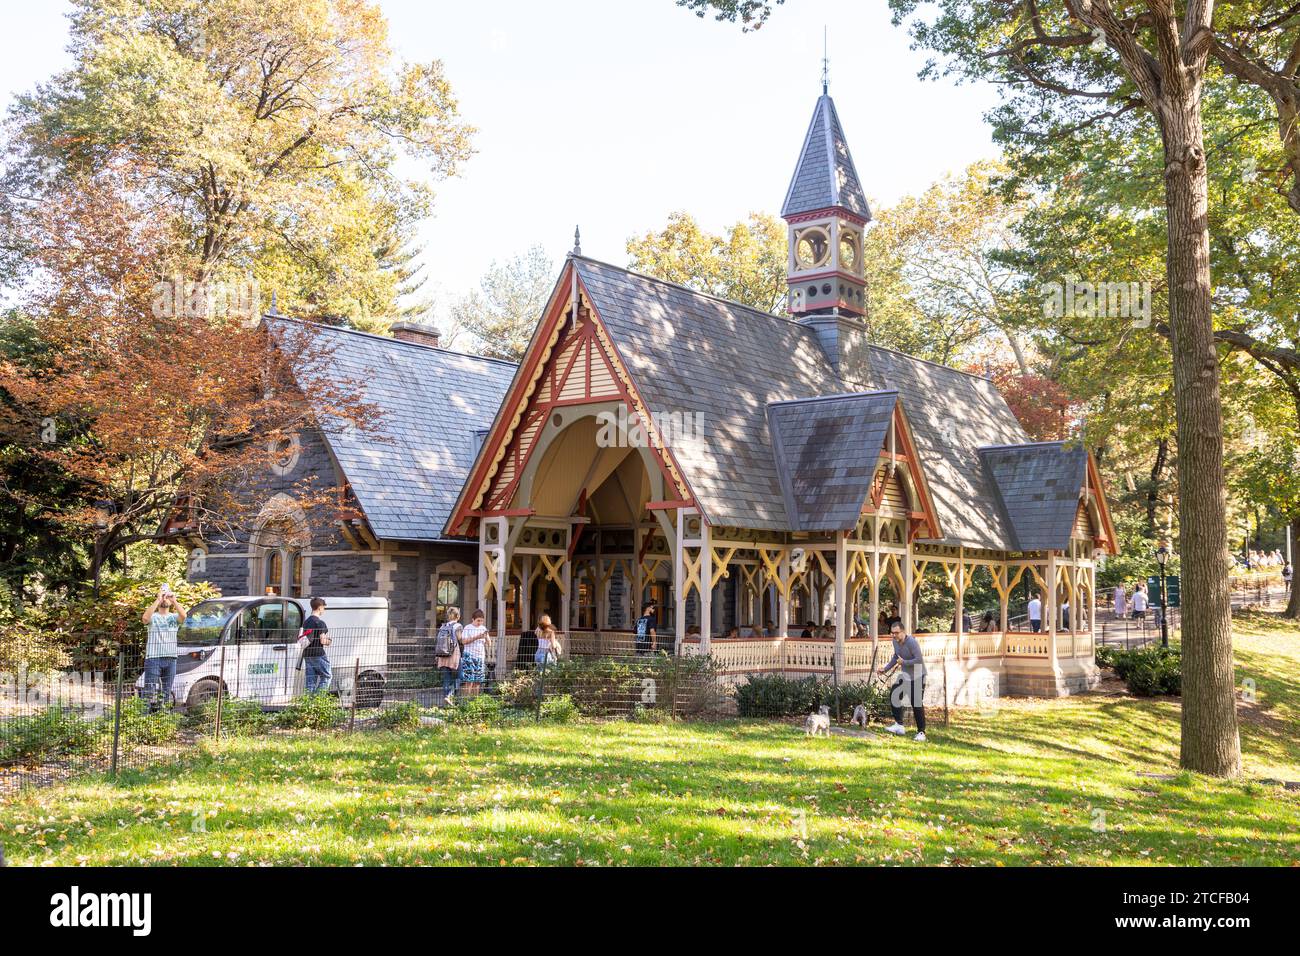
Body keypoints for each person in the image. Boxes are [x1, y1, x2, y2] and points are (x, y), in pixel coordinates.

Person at [141, 585, 186, 712]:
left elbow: (184, 616)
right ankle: (142, 718)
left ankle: (163, 718)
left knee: (166, 692)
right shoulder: (153, 616)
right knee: (149, 690)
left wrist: (174, 600)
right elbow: (145, 619)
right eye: (163, 597)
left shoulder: (173, 617)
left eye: (167, 597)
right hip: (153, 658)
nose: (165, 599)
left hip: (171, 659)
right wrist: (158, 599)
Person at [881, 622, 927, 742]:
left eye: (896, 633)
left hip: (918, 672)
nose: (894, 635)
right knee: (894, 695)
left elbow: (918, 659)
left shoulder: (912, 642)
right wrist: (885, 669)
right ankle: (899, 725)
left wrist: (904, 662)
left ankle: (921, 732)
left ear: (903, 632)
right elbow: (896, 657)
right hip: (906, 674)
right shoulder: (895, 642)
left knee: (916, 703)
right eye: (892, 633)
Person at [300, 597, 333, 695]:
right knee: (327, 676)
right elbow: (323, 640)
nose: (324, 610)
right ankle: (318, 699)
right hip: (318, 654)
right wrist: (329, 641)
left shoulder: (306, 622)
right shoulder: (320, 623)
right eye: (324, 608)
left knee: (310, 681)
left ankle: (308, 703)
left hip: (307, 653)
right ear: (320, 607)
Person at [433, 607, 463, 704]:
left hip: (442, 654)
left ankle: (446, 697)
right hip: (453, 654)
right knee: (460, 676)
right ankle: (450, 695)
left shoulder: (443, 627)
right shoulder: (458, 626)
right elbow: (461, 640)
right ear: (457, 616)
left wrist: (437, 656)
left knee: (447, 677)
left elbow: (438, 641)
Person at [458, 609, 490, 697]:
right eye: (478, 621)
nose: (480, 623)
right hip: (469, 656)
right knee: (469, 680)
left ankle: (476, 701)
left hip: (480, 657)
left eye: (481, 621)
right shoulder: (468, 628)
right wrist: (477, 637)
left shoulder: (483, 628)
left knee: (478, 681)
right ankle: (467, 700)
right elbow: (463, 641)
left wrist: (486, 637)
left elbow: (489, 643)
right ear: (473, 619)